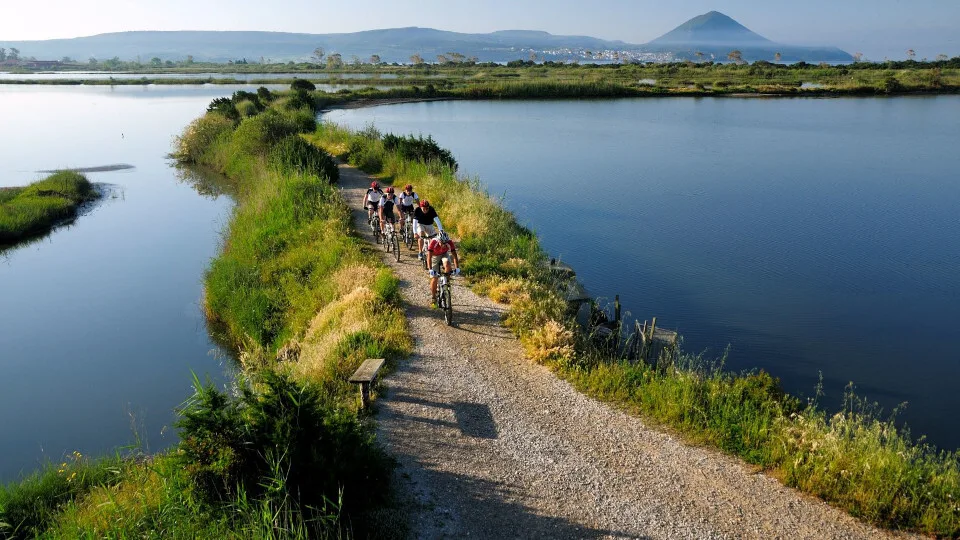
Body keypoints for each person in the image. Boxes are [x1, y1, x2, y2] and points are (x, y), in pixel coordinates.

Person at [427, 230, 461, 307]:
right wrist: (430, 269)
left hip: (444, 254)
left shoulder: (449, 242)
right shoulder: (434, 242)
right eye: (442, 243)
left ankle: (446, 282)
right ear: (439, 241)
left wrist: (457, 268)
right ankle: (433, 297)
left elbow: (454, 256)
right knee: (434, 278)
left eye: (445, 243)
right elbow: (429, 257)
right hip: (435, 256)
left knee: (448, 265)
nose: (443, 245)